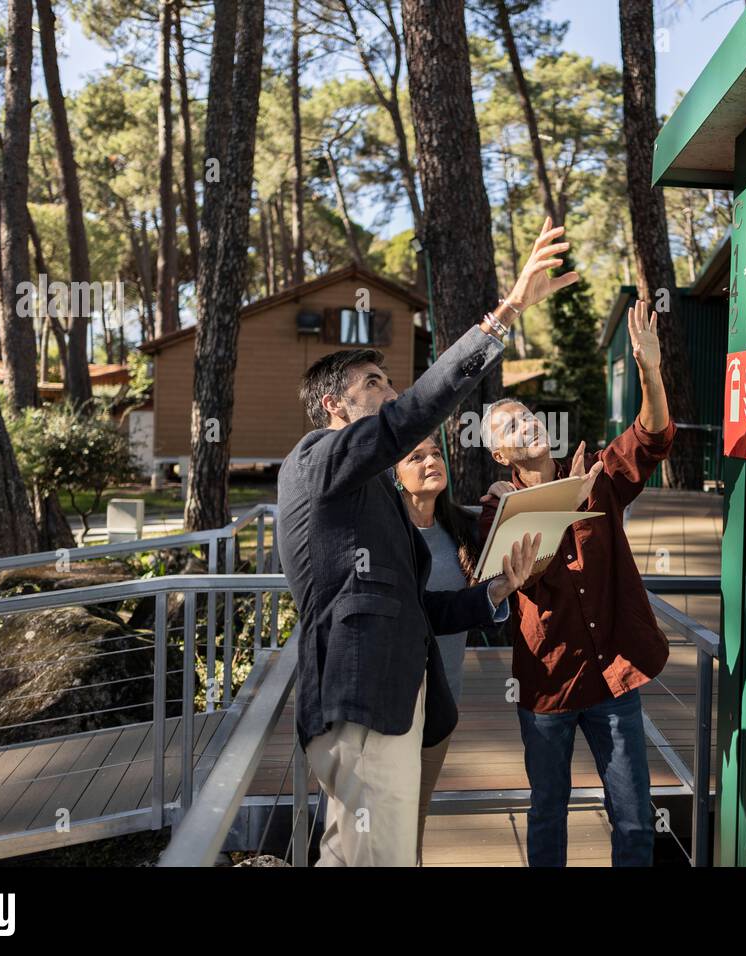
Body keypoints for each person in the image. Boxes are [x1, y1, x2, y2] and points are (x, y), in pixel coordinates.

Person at [277, 218, 578, 867]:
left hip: (404, 701)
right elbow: (414, 413)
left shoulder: (372, 497)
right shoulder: (317, 460)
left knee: (372, 859)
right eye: (374, 386)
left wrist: (500, 585)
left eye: (389, 384)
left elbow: (426, 610)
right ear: (333, 405)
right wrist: (506, 315)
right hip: (361, 699)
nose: (390, 394)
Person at [478, 300, 675, 867]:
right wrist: (560, 508)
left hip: (614, 677)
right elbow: (524, 575)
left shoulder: (596, 479)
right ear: (499, 451)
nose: (529, 424)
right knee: (547, 818)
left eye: (530, 415)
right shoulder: (497, 512)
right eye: (513, 425)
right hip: (547, 688)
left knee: (636, 821)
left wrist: (649, 373)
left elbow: (651, 437)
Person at [392, 435, 487, 863]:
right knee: (385, 819)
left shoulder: (460, 528)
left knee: (416, 814)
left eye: (435, 453)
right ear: (394, 477)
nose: (432, 460)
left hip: (443, 701)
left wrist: (510, 495)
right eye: (416, 456)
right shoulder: (386, 537)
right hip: (390, 706)